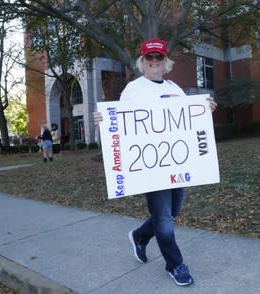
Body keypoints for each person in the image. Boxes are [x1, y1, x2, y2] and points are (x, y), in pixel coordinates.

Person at [93, 39, 217, 287]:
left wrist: (205, 111)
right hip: (152, 168)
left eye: (158, 58)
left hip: (177, 164)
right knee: (164, 219)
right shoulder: (133, 89)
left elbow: (187, 122)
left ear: (165, 61)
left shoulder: (175, 88)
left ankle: (139, 236)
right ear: (142, 62)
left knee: (173, 212)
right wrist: (103, 122)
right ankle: (175, 264)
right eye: (149, 58)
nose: (154, 62)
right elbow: (122, 127)